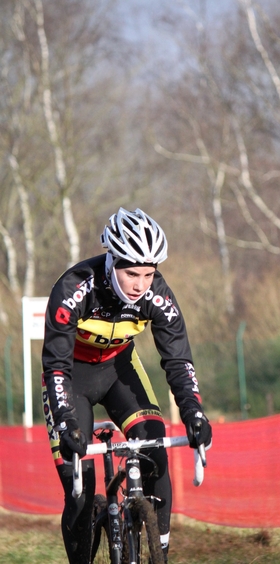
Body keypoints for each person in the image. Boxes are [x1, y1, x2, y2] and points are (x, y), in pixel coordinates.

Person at [41, 207, 212, 564]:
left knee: (155, 448)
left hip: (119, 369)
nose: (140, 284)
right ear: (111, 260)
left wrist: (194, 410)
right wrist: (66, 421)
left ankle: (158, 551)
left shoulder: (157, 294)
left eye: (149, 274)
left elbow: (178, 360)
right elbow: (56, 366)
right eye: (131, 272)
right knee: (80, 488)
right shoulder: (73, 288)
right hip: (71, 377)